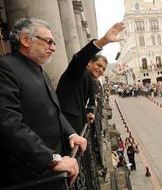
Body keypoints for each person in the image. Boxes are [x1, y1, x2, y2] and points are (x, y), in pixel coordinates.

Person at [0, 17, 87, 188]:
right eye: (49, 42)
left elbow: (54, 109)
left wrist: (71, 134)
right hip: (31, 174)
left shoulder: (39, 69)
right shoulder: (6, 68)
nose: (53, 48)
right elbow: (7, 123)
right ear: (25, 40)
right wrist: (51, 159)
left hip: (56, 167)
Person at [56, 22, 124, 133]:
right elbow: (79, 58)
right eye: (99, 65)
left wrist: (87, 113)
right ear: (88, 63)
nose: (101, 70)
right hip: (66, 130)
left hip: (76, 130)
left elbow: (84, 102)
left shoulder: (90, 79)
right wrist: (103, 41)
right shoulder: (79, 71)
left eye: (103, 69)